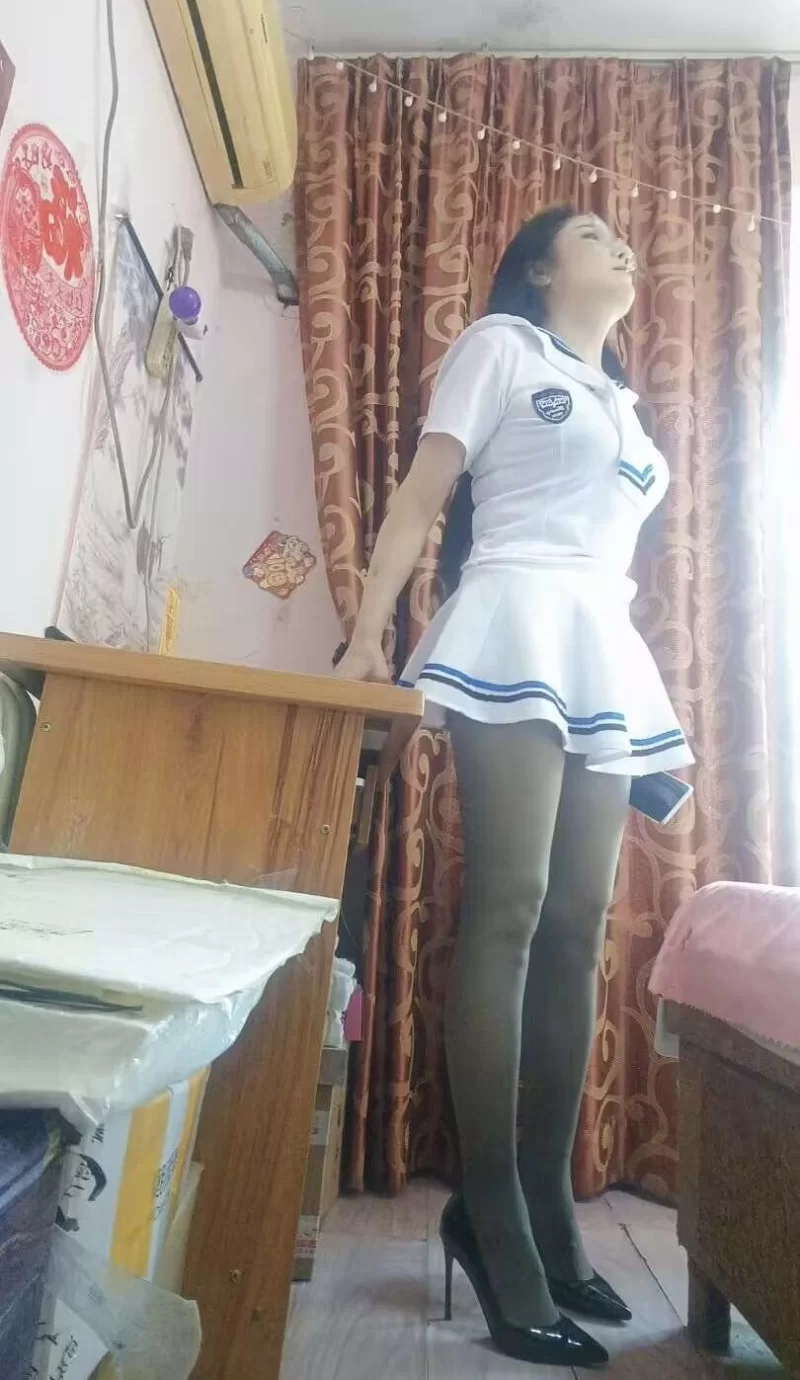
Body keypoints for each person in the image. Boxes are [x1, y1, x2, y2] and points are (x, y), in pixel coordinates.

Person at [334, 205, 693, 1369]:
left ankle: (542, 1203)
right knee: (511, 904)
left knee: (578, 925)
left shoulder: (624, 405)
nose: (619, 244)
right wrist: (365, 637)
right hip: (510, 616)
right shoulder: (499, 345)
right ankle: (489, 1212)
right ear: (539, 268)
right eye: (590, 233)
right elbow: (421, 495)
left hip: (600, 644)